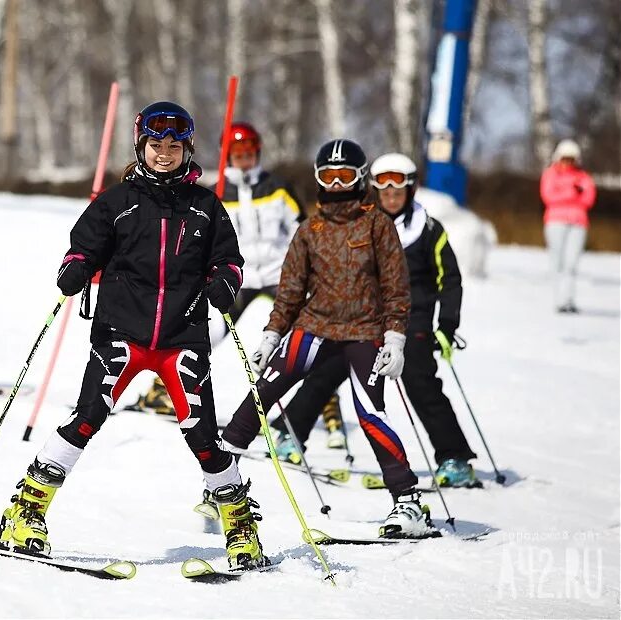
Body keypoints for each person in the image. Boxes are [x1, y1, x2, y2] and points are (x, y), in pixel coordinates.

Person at [0, 101, 269, 570]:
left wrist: (225, 282)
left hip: (183, 338)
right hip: (121, 333)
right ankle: (25, 512)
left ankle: (240, 529)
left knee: (202, 436)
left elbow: (230, 260)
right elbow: (82, 248)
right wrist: (75, 270)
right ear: (141, 145)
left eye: (174, 145)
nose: (164, 153)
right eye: (155, 144)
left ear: (187, 149)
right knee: (87, 417)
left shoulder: (206, 205)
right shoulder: (117, 202)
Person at [221, 139, 435, 538]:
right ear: (319, 179)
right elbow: (289, 291)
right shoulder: (309, 230)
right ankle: (220, 474)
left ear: (359, 179)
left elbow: (395, 286)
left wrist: (395, 338)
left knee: (370, 411)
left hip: (364, 331)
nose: (336, 184)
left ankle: (407, 502)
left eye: (345, 176)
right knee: (265, 389)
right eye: (328, 176)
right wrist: (272, 335)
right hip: (314, 325)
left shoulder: (377, 225)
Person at [269, 153, 480, 487]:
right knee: (327, 369)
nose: (391, 194)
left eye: (398, 187)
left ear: (410, 190)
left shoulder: (426, 229)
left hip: (414, 321)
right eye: (384, 187)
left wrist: (447, 325)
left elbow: (449, 279)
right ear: (374, 188)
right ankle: (288, 433)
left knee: (420, 381)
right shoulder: (363, 222)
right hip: (364, 318)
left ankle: (454, 458)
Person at [135, 123, 352, 446]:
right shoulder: (217, 192)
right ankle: (162, 391)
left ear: (257, 152)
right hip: (238, 276)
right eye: (237, 154)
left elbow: (303, 231)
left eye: (249, 153)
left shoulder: (278, 187)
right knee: (204, 332)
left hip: (281, 274)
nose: (244, 159)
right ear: (227, 156)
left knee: (306, 339)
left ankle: (325, 404)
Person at [540, 139, 596, 313]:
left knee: (571, 263)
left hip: (578, 223)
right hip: (555, 222)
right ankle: (558, 300)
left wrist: (564, 193)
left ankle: (568, 300)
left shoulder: (583, 177)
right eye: (565, 158)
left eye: (571, 159)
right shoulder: (550, 174)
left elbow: (588, 198)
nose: (567, 162)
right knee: (557, 261)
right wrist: (572, 192)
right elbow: (549, 196)